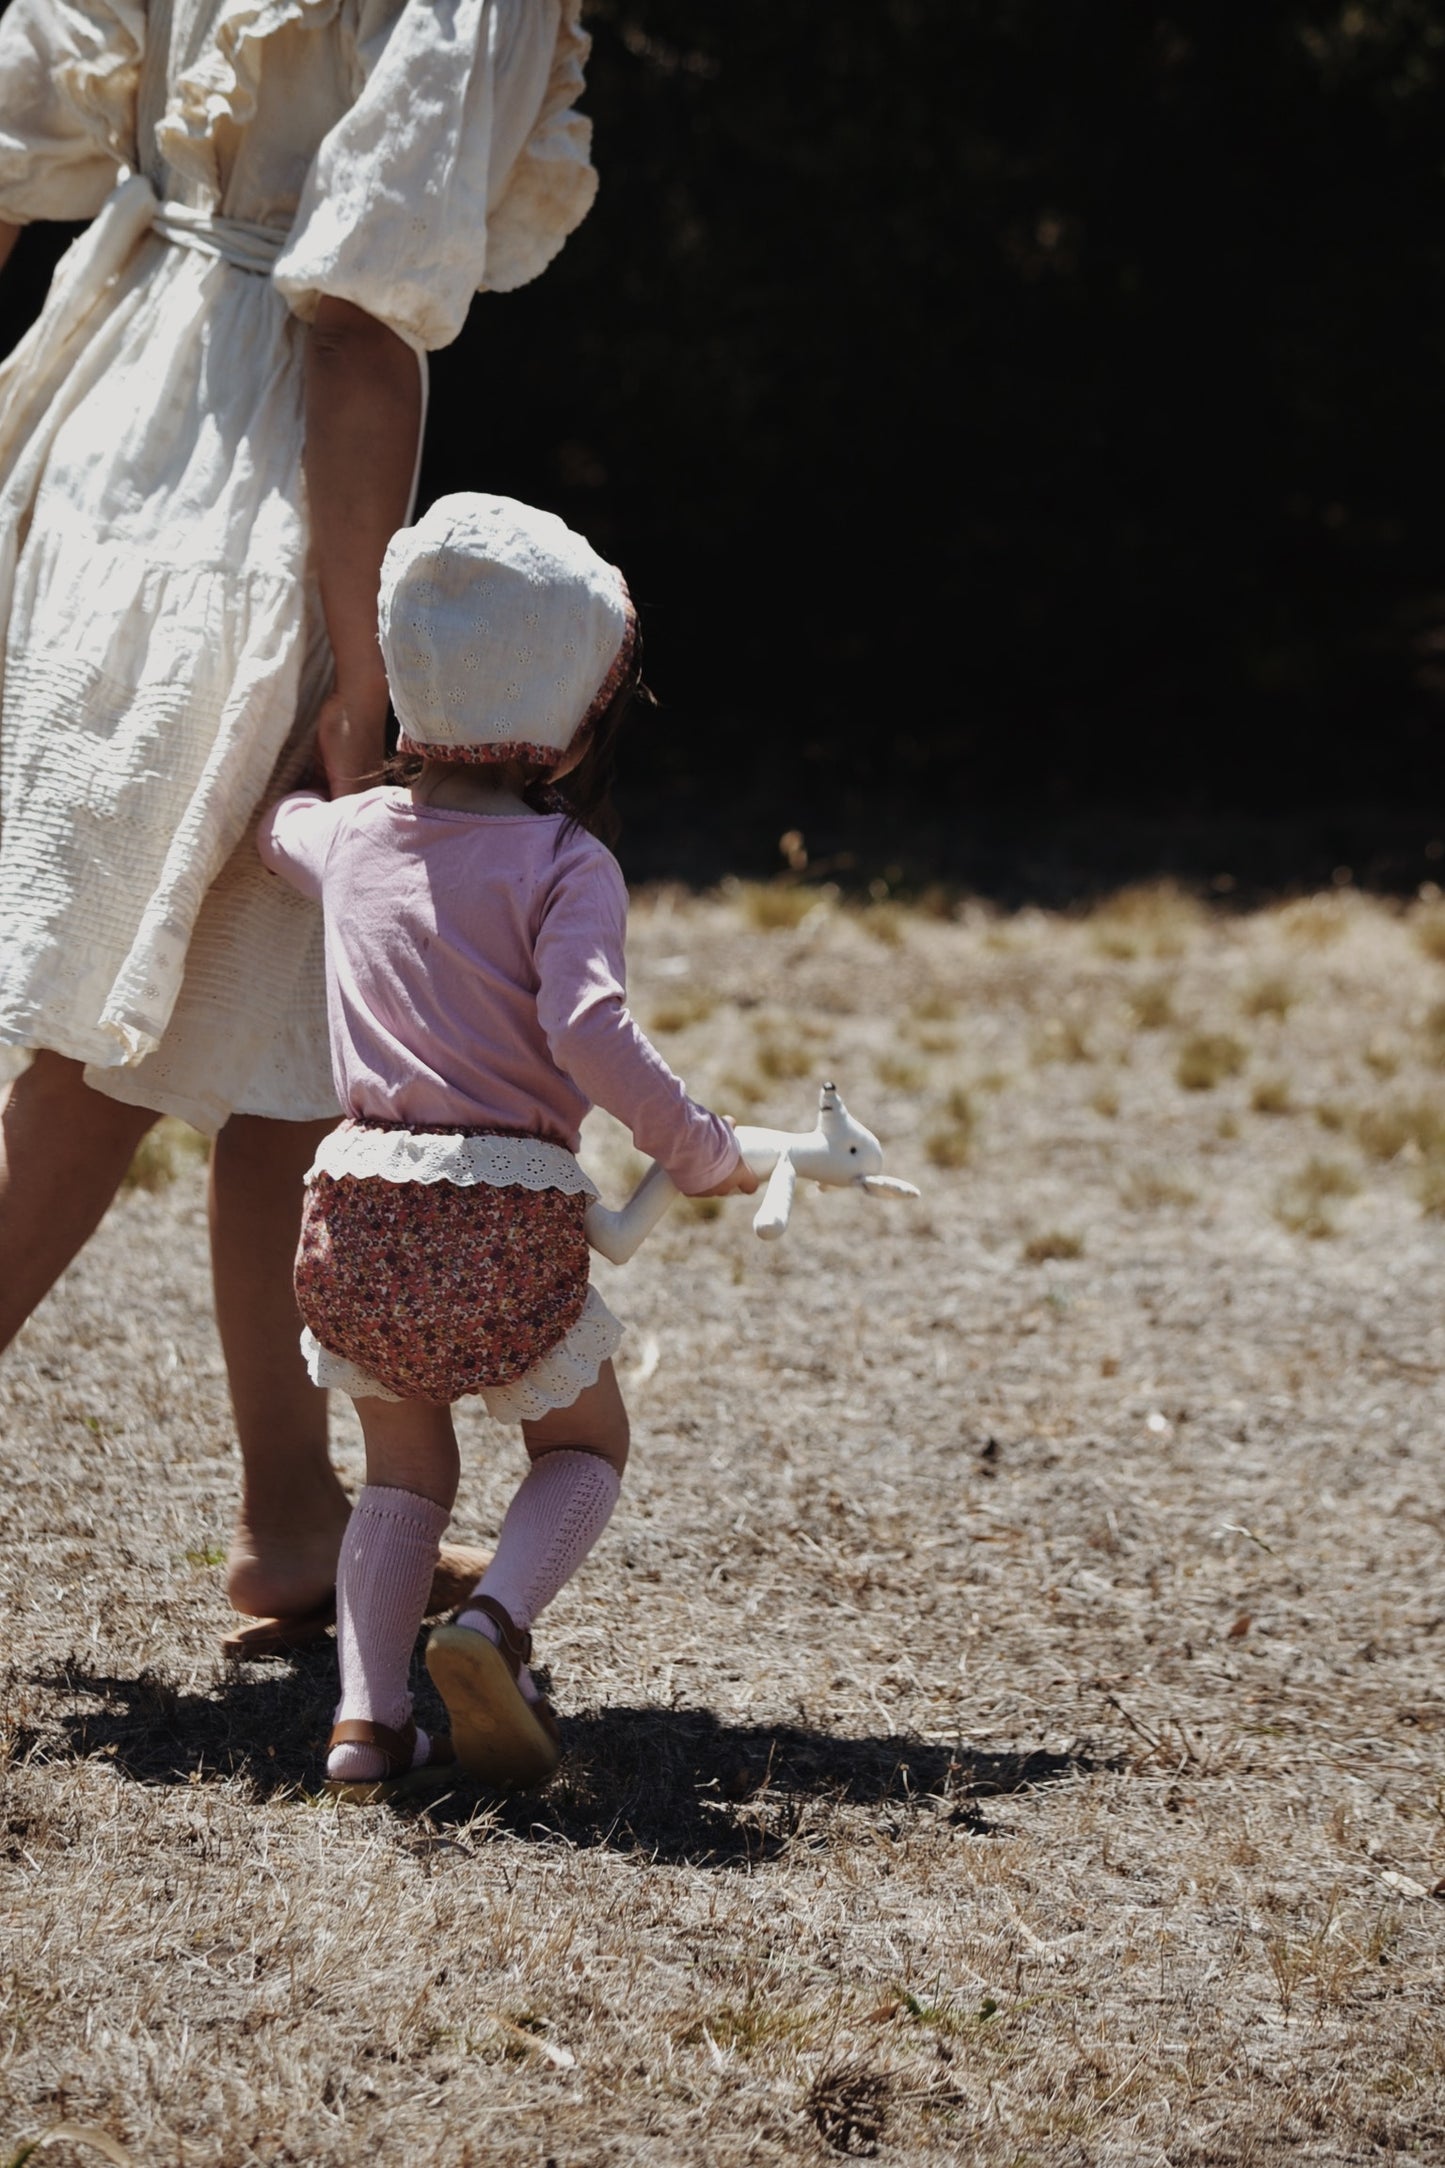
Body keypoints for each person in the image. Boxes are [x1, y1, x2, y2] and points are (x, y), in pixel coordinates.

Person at [0, 0, 598, 1652]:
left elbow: (20, 121)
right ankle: (291, 1513)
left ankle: (292, 1515)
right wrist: (365, 670)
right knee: (108, 1041)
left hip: (105, 430)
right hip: (263, 512)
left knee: (283, 1028)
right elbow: (352, 309)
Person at [256, 494, 758, 1798]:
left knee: (402, 1478)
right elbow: (587, 1029)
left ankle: (365, 1726)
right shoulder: (563, 862)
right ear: (577, 710)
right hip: (501, 1212)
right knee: (582, 1447)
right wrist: (696, 1147)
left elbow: (279, 831)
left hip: (354, 1211)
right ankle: (492, 1627)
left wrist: (327, 752)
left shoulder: (356, 835)